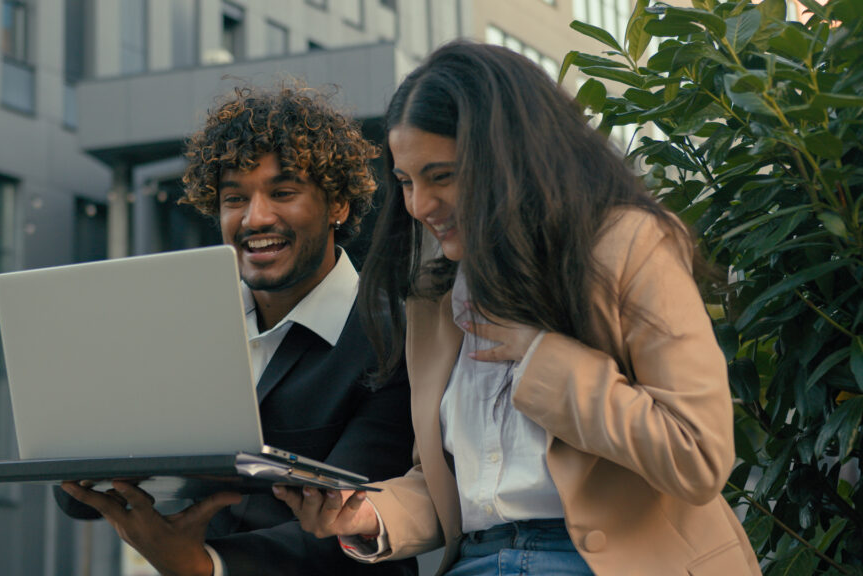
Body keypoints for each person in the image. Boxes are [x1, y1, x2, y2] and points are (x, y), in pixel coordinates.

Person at [276, 41, 762, 576]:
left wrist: (540, 360)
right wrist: (369, 513)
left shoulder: (629, 246)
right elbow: (454, 484)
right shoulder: (436, 301)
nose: (418, 206)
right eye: (406, 182)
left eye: (441, 177)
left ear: (511, 156)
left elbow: (698, 456)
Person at [57, 84, 417, 576]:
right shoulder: (184, 326)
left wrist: (207, 565)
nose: (256, 218)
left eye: (283, 192)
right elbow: (79, 501)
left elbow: (354, 522)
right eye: (234, 198)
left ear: (338, 205)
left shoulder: (394, 335)